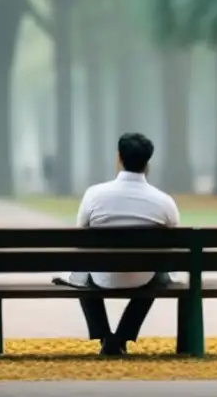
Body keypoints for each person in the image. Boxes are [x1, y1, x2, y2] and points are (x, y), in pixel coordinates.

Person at [71, 132, 180, 357]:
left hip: (100, 275)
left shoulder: (94, 195)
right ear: (147, 163)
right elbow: (176, 239)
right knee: (159, 275)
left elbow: (80, 230)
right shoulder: (163, 201)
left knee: (81, 273)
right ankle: (121, 337)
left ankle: (104, 336)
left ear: (119, 158)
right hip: (143, 277)